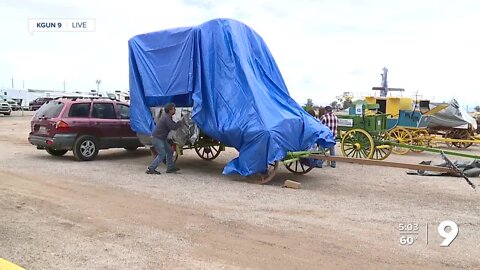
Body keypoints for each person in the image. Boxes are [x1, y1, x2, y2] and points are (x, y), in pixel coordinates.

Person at [146, 103, 182, 174]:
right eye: (174, 109)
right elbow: (173, 127)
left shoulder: (167, 117)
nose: (175, 110)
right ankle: (151, 168)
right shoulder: (166, 118)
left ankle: (170, 167)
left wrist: (178, 123)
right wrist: (180, 123)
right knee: (162, 154)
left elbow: (172, 125)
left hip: (161, 138)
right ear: (170, 110)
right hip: (157, 138)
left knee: (169, 151)